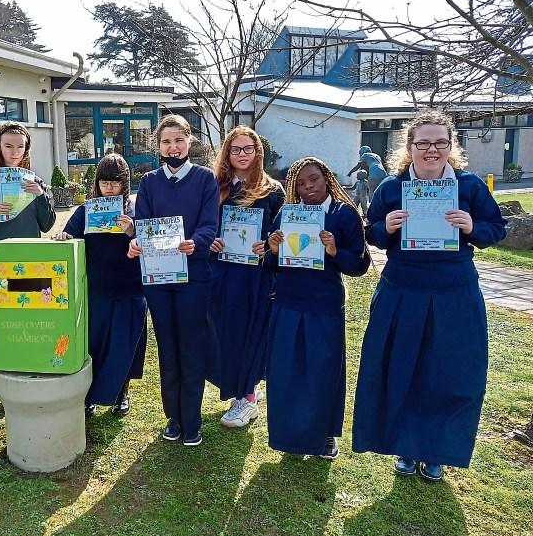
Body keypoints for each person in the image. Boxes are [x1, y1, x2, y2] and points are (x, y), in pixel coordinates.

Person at [352, 110, 507, 481]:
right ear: (410, 147)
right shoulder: (392, 187)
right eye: (423, 143)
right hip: (403, 290)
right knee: (401, 368)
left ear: (450, 146)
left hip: (454, 293)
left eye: (440, 142)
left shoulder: (469, 187)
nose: (432, 150)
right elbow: (371, 232)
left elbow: (495, 229)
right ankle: (406, 446)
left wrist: (472, 227)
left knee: (447, 374)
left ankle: (436, 449)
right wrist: (383, 228)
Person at [265, 157, 370, 460]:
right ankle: (288, 436)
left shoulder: (344, 214)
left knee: (324, 372)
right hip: (287, 302)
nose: (307, 187)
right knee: (286, 373)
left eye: (313, 179)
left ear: (327, 177)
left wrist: (335, 251)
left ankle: (325, 435)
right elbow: (269, 265)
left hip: (324, 305)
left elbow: (360, 265)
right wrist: (272, 249)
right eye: (299, 183)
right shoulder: (287, 213)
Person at [128, 114, 219, 446]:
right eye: (166, 141)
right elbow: (143, 224)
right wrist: (138, 241)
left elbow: (211, 224)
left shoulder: (205, 179)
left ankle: (192, 421)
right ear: (158, 145)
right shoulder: (150, 182)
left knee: (191, 347)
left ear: (189, 141)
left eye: (178, 140)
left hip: (193, 275)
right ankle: (174, 418)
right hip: (158, 277)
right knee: (168, 347)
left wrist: (197, 242)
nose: (173, 146)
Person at [54, 153, 147, 417]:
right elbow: (69, 233)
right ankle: (89, 395)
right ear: (97, 182)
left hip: (130, 289)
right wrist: (64, 236)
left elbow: (149, 244)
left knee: (124, 344)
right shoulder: (86, 210)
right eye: (104, 182)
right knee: (93, 345)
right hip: (96, 290)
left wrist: (133, 231)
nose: (109, 187)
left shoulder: (135, 211)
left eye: (115, 183)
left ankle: (122, 392)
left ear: (125, 184)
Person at [0, 121, 56, 394]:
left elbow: (48, 224)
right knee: (0, 320)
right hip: (0, 264)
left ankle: (32, 367)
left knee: (30, 317)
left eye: (20, 146)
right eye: (8, 146)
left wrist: (41, 196)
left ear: (27, 148)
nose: (15, 151)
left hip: (32, 262)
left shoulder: (35, 182)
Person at [208, 126, 284, 428]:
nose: (241, 155)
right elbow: (205, 224)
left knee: (251, 332)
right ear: (227, 152)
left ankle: (247, 398)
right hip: (222, 271)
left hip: (255, 276)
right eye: (235, 149)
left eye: (247, 149)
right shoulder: (216, 187)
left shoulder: (272, 190)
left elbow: (282, 232)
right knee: (224, 332)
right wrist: (210, 240)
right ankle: (242, 387)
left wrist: (268, 244)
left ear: (257, 153)